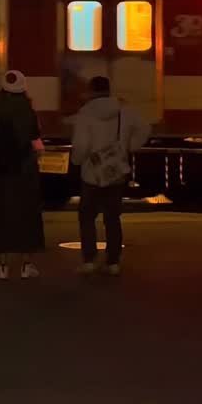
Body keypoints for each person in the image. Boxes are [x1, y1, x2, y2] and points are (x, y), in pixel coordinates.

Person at [71, 75, 149, 276]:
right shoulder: (125, 111)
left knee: (87, 217)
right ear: (108, 90)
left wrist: (77, 161)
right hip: (115, 172)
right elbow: (145, 128)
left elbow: (81, 145)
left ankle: (89, 260)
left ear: (91, 91)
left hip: (91, 174)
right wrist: (129, 147)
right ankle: (113, 262)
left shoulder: (84, 114)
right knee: (112, 218)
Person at [0, 70, 45, 280]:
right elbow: (35, 138)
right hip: (24, 171)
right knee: (26, 216)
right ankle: (26, 265)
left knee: (2, 216)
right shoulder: (27, 110)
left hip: (0, 171)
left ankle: (2, 267)